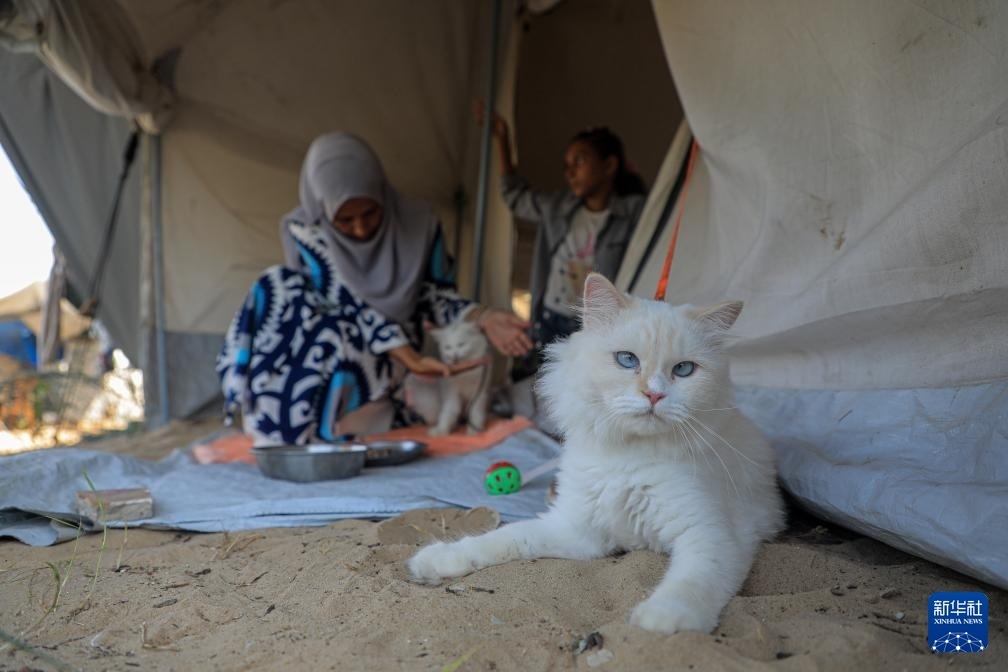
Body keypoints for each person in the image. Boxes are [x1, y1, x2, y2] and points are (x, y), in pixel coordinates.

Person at [216, 132, 531, 445]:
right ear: (322, 209)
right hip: (334, 343)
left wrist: (482, 316)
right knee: (279, 287)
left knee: (336, 338)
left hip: (386, 357)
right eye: (345, 220)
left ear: (381, 193)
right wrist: (409, 357)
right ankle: (276, 423)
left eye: (370, 213)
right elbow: (342, 300)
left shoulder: (421, 226)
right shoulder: (305, 230)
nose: (360, 228)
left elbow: (435, 296)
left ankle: (339, 423)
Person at [478, 104, 647, 380]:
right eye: (566, 166)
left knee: (580, 383)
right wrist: (502, 139)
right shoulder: (558, 207)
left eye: (580, 161)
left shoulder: (633, 214)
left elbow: (667, 215)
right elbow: (515, 196)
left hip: (590, 324)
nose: (570, 173)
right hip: (549, 315)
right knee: (534, 379)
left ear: (609, 165)